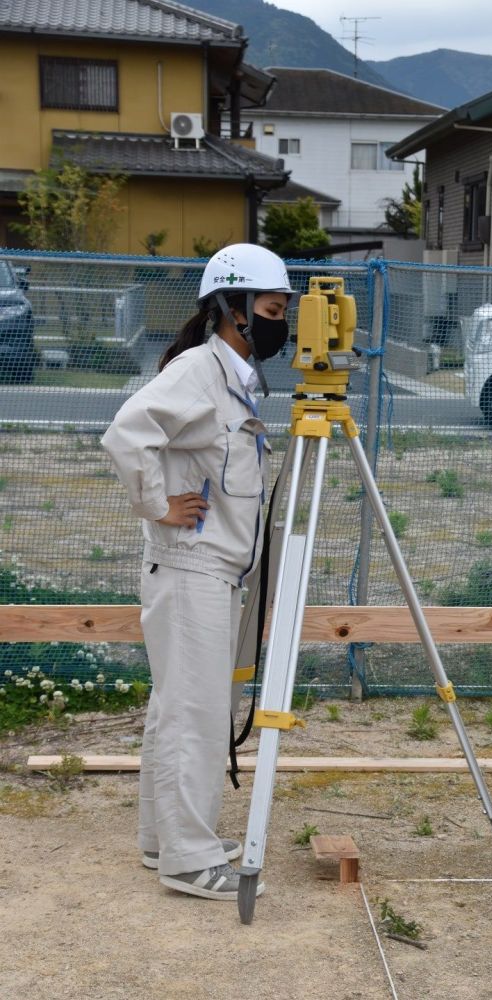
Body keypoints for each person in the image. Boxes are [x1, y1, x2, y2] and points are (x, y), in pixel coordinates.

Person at [101, 244, 293, 901]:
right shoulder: (198, 371)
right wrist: (157, 504)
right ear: (232, 311)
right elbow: (127, 433)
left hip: (207, 570)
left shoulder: (233, 377)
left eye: (284, 310)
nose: (281, 322)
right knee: (198, 713)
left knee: (175, 709)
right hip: (189, 568)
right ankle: (189, 859)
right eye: (271, 309)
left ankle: (165, 841)